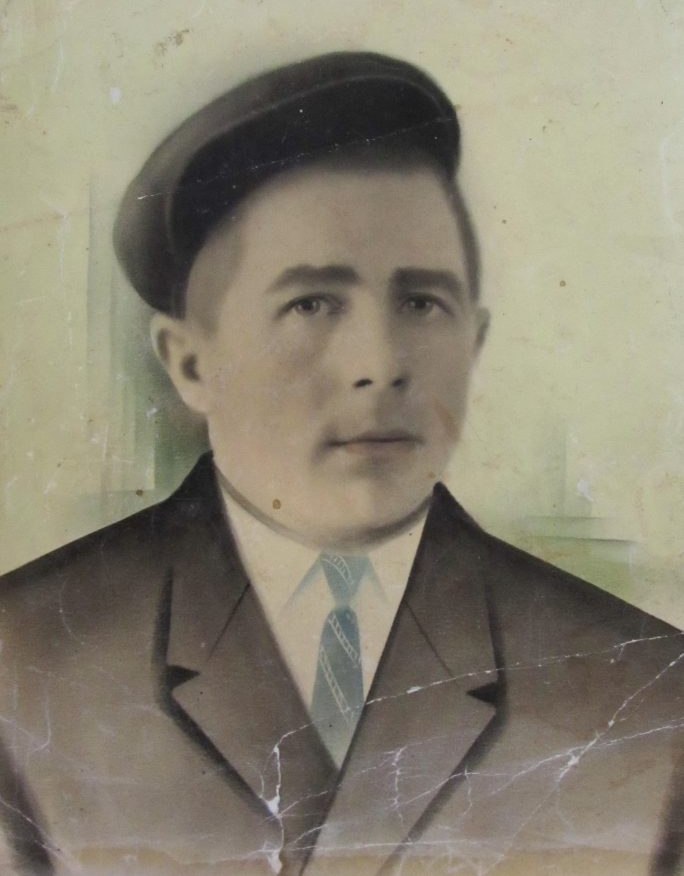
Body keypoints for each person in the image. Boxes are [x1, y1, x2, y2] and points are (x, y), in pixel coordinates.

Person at [0, 52, 681, 876]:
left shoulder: (644, 692)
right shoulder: (26, 665)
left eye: (421, 302)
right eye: (312, 303)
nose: (379, 363)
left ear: (475, 342)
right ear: (189, 362)